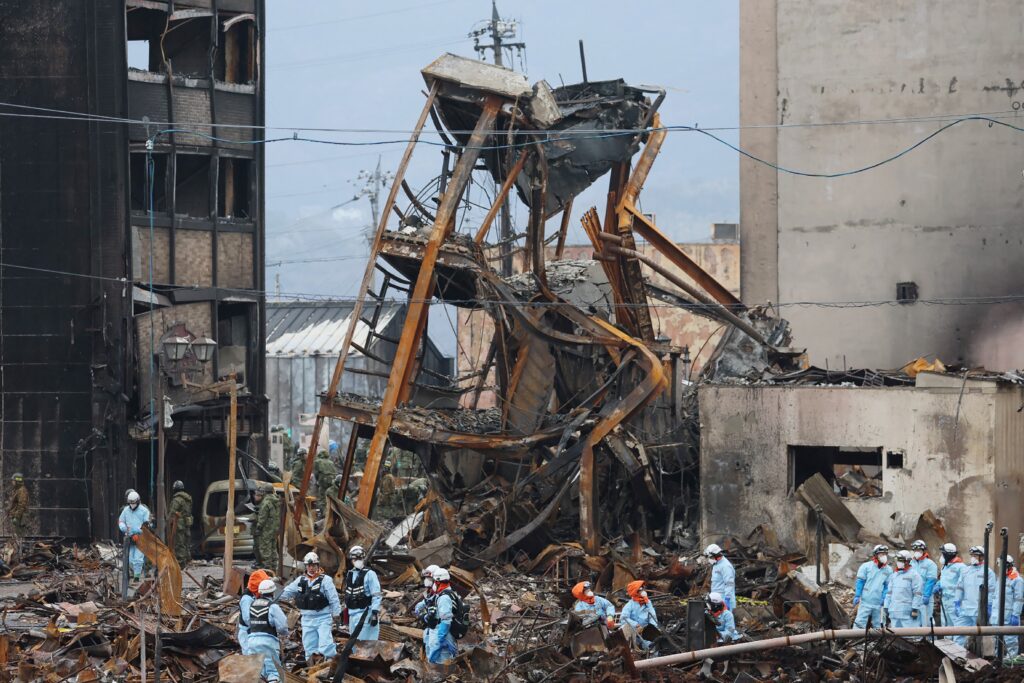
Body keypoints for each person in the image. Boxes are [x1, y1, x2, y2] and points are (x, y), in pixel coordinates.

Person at [281, 551, 341, 665]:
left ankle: (330, 666)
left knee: (326, 645)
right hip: (307, 619)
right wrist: (272, 594)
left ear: (318, 565)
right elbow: (286, 592)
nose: (311, 568)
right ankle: (312, 669)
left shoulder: (325, 580)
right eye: (309, 565)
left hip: (323, 618)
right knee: (309, 646)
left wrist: (336, 613)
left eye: (313, 565)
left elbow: (333, 598)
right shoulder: (301, 580)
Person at [244, 578, 288, 683]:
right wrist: (285, 633)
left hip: (251, 641)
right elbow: (282, 626)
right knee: (273, 671)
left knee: (257, 672)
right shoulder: (273, 607)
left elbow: (247, 621)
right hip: (268, 642)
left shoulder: (251, 605)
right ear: (273, 592)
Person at [954, 545, 997, 648]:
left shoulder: (988, 572)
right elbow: (960, 587)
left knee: (979, 636)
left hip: (978, 610)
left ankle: (978, 659)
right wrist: (957, 602)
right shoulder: (965, 570)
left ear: (982, 557)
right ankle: (957, 656)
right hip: (965, 609)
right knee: (958, 633)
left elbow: (991, 591)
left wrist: (990, 605)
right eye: (972, 555)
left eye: (976, 555)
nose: (973, 557)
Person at [344, 545, 382, 640]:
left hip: (365, 614)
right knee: (354, 644)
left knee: (365, 644)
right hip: (352, 614)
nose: (357, 561)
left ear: (363, 558)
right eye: (354, 559)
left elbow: (376, 594)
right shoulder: (350, 574)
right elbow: (348, 593)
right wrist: (345, 611)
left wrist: (374, 613)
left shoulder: (370, 574)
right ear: (351, 560)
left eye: (359, 558)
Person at [853, 544, 893, 628]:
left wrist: (884, 598)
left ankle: (879, 641)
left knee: (879, 625)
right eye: (881, 554)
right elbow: (860, 582)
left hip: (879, 603)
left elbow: (887, 586)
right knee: (860, 623)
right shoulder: (866, 567)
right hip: (865, 601)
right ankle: (856, 640)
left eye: (885, 554)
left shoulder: (888, 570)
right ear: (875, 555)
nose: (884, 556)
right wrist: (857, 595)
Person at [426, 567, 458, 664]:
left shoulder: (444, 598)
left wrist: (439, 639)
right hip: (443, 630)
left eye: (434, 582)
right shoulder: (449, 593)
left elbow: (446, 620)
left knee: (441, 661)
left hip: (442, 632)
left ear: (438, 582)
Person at [118, 490, 152, 582]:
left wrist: (138, 532)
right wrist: (123, 527)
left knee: (138, 558)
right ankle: (133, 573)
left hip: (140, 538)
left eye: (134, 503)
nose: (132, 505)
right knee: (130, 559)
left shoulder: (144, 511)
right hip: (129, 538)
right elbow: (121, 520)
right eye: (130, 503)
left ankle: (137, 577)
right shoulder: (126, 510)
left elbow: (147, 524)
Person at [884, 550, 923, 629]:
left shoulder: (914, 575)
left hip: (908, 614)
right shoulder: (894, 576)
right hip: (894, 613)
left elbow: (917, 593)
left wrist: (915, 609)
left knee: (910, 637)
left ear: (907, 561)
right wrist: (886, 606)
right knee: (896, 638)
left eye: (901, 560)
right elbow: (889, 593)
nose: (898, 562)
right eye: (897, 560)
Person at [996, 554, 1024, 659]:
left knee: (1010, 639)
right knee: (997, 639)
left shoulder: (1017, 580)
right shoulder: (1002, 578)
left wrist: (1015, 615)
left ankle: (1012, 661)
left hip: (1009, 615)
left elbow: (1019, 599)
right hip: (999, 615)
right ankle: (997, 659)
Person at [620, 580, 658, 651]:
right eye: (640, 589)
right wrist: (636, 625)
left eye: (643, 588)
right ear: (635, 592)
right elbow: (623, 619)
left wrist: (652, 628)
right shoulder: (629, 605)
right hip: (633, 632)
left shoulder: (647, 602)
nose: (643, 591)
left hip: (645, 631)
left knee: (653, 646)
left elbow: (653, 616)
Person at [237, 569, 269, 654]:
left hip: (255, 632)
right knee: (250, 658)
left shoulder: (256, 595)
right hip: (247, 633)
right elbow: (248, 619)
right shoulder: (247, 599)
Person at [910, 539, 938, 626]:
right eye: (915, 550)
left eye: (919, 550)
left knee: (926, 621)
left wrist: (926, 595)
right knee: (914, 622)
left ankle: (929, 639)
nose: (917, 552)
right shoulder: (911, 563)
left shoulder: (930, 564)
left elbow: (930, 581)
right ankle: (916, 639)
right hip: (913, 598)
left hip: (925, 598)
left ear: (923, 550)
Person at [413, 565, 440, 656]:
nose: (427, 580)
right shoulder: (431, 590)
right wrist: (421, 604)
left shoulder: (442, 591)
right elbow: (429, 600)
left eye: (429, 578)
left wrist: (425, 616)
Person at [935, 543, 965, 626]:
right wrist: (939, 584)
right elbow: (945, 580)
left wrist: (958, 601)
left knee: (956, 624)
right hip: (944, 599)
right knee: (945, 624)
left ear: (948, 555)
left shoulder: (961, 567)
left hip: (954, 600)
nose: (941, 556)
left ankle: (956, 640)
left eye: (943, 554)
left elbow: (963, 584)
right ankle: (946, 639)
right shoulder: (945, 566)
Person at [253, 484, 280, 570]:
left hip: (266, 530)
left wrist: (258, 528)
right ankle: (274, 567)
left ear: (264, 492)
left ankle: (267, 568)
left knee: (265, 549)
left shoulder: (265, 502)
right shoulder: (277, 501)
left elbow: (262, 518)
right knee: (273, 548)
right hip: (275, 529)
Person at [168, 480, 193, 567]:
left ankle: (181, 562)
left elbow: (172, 512)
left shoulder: (177, 500)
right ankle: (187, 559)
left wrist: (169, 522)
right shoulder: (188, 498)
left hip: (179, 524)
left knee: (179, 543)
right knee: (186, 541)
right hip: (187, 522)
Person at [705, 544, 736, 609]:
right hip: (717, 598)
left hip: (724, 599)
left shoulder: (725, 566)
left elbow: (729, 584)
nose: (709, 559)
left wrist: (727, 599)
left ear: (716, 555)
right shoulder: (716, 564)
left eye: (710, 557)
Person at [8, 473, 30, 537]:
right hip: (15, 515)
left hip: (20, 517)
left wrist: (17, 516)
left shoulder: (22, 491)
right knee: (16, 533)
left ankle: (21, 545)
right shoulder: (16, 490)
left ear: (17, 481)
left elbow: (22, 504)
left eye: (13, 480)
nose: (12, 482)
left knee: (20, 534)